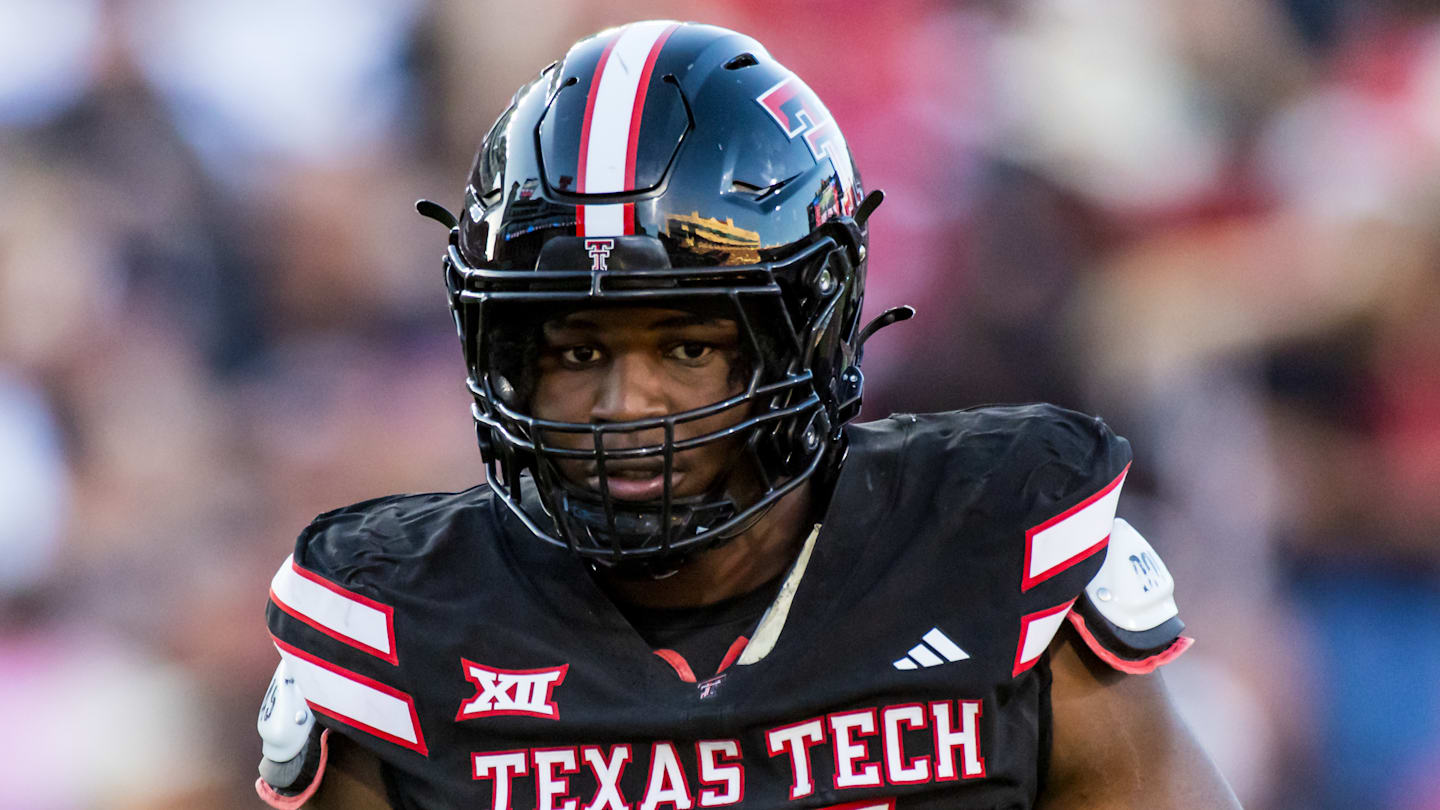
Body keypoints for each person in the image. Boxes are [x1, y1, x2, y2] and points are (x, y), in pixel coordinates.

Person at [255, 20, 1240, 809]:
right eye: (575, 350)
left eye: (686, 347)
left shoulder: (992, 555)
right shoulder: (400, 630)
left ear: (807, 328)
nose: (625, 403)